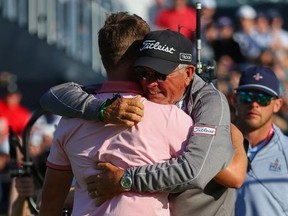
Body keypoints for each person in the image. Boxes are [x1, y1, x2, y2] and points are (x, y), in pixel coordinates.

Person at [40, 30, 247, 216]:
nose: (150, 83)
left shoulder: (209, 102)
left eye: (160, 75)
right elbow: (51, 97)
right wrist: (102, 110)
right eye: (143, 73)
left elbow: (198, 171)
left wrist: (125, 180)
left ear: (188, 74)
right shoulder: (139, 96)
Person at [39, 12, 194, 216]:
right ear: (143, 55)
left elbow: (50, 202)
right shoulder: (173, 118)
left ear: (103, 56)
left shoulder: (70, 120)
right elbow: (205, 174)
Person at [234, 65, 288, 216]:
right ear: (235, 99)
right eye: (247, 96)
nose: (254, 104)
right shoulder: (216, 144)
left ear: (277, 105)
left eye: (263, 98)